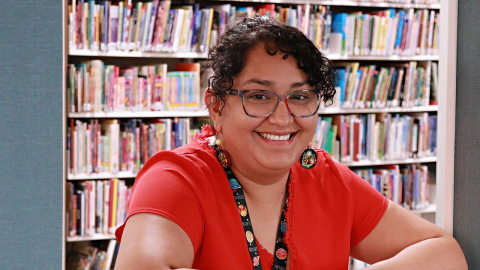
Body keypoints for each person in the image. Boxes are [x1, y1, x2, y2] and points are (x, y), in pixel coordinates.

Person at [114, 16, 467, 269]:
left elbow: (441, 252)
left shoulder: (327, 178)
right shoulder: (178, 179)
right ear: (216, 106)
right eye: (258, 96)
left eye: (300, 97)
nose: (282, 118)